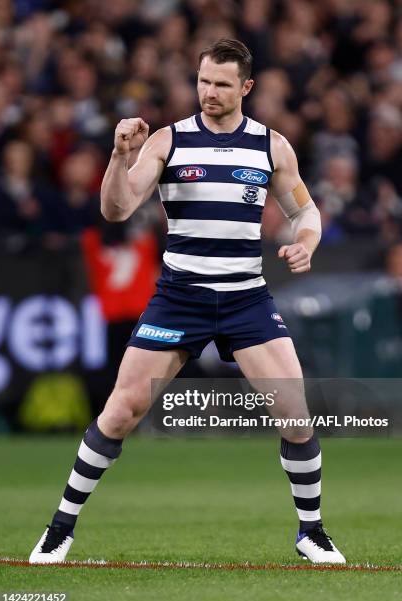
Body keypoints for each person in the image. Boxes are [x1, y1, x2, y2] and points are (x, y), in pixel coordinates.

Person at [29, 39, 345, 565]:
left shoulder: (271, 146)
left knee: (295, 412)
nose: (209, 92)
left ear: (246, 87)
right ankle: (59, 529)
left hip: (246, 299)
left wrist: (305, 243)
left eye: (221, 83)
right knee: (121, 411)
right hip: (180, 298)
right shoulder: (167, 140)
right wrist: (119, 155)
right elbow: (116, 209)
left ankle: (311, 532)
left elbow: (306, 212)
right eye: (203, 80)